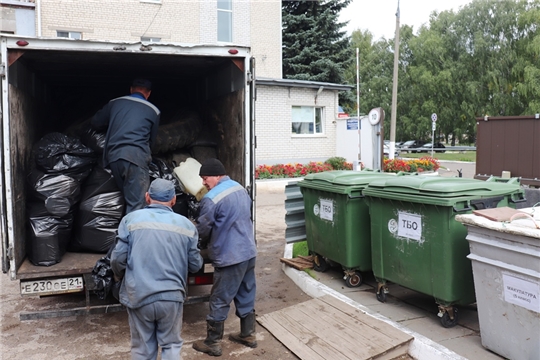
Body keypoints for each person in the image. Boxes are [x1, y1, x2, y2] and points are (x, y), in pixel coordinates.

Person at [111, 178, 203, 360]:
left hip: (139, 295)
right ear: (174, 200)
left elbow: (117, 259)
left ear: (147, 197)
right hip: (171, 297)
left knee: (142, 350)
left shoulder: (130, 220)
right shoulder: (186, 226)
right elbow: (195, 265)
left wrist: (120, 275)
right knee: (171, 346)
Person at [193, 158, 258, 357]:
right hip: (248, 252)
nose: (204, 182)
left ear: (217, 175)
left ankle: (212, 343)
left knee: (220, 297)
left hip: (230, 256)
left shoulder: (211, 198)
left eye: (205, 178)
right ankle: (248, 335)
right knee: (246, 292)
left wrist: (198, 242)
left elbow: (203, 229)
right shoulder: (240, 189)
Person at [91, 78, 160, 214]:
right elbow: (151, 140)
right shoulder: (154, 111)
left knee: (126, 196)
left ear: (131, 89)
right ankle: (133, 233)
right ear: (148, 93)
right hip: (136, 158)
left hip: (114, 157)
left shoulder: (114, 103)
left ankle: (123, 230)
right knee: (137, 205)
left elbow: (95, 122)